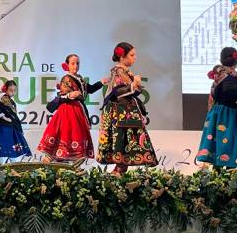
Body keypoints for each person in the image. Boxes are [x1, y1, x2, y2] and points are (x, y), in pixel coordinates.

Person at [97, 43, 157, 175]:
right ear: (122, 56)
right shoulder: (118, 71)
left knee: (127, 139)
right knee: (122, 138)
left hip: (126, 110)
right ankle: (119, 169)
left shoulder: (125, 71)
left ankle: (121, 169)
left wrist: (135, 85)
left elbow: (133, 90)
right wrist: (134, 84)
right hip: (120, 111)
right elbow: (117, 91)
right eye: (132, 55)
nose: (135, 58)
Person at [196, 47, 237, 170]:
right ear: (235, 61)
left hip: (218, 114)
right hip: (228, 115)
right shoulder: (230, 76)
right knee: (231, 145)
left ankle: (218, 176)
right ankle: (227, 176)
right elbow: (229, 93)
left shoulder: (220, 75)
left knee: (220, 145)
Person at [39, 54, 105, 162]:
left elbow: (89, 89)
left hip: (78, 110)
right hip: (68, 110)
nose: (76, 66)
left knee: (75, 135)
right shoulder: (66, 79)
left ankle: (71, 162)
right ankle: (53, 159)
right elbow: (62, 95)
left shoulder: (79, 78)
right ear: (67, 65)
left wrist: (101, 82)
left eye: (77, 63)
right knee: (67, 133)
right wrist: (70, 95)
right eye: (73, 63)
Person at [0, 80, 31, 163]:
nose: (12, 92)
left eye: (14, 90)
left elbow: (14, 115)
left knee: (12, 151)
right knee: (2, 151)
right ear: (5, 89)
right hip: (2, 128)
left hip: (11, 128)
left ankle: (12, 169)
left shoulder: (12, 102)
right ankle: (2, 169)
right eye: (10, 90)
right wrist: (5, 118)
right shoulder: (1, 100)